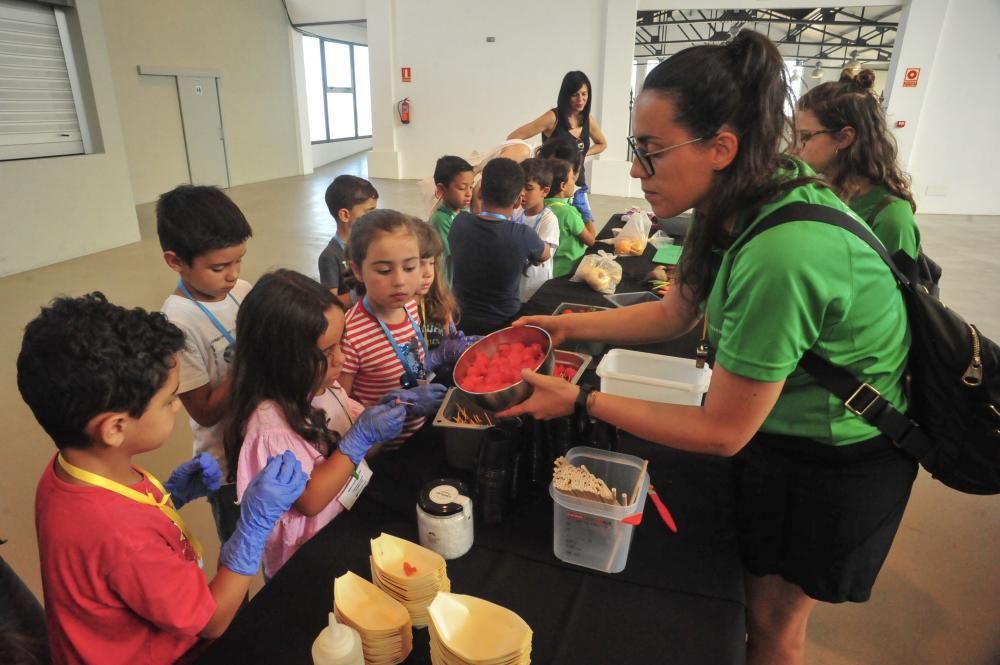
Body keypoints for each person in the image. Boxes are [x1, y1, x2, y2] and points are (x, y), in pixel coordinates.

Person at [502, 31, 916, 665]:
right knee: (747, 604)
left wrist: (584, 399)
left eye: (652, 152)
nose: (636, 170)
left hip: (836, 455)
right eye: (636, 149)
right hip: (780, 429)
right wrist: (568, 327)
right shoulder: (737, 200)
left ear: (722, 146)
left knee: (773, 627)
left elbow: (723, 431)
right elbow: (674, 311)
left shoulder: (782, 253)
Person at [18, 292, 307, 665]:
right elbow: (213, 621)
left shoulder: (71, 469)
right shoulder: (123, 538)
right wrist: (251, 531)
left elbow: (107, 557)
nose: (176, 406)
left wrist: (169, 496)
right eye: (170, 399)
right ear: (115, 427)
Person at [223, 270, 436, 578]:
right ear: (281, 358)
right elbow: (310, 500)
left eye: (341, 343)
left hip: (345, 526)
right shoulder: (269, 427)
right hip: (306, 558)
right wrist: (358, 439)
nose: (341, 359)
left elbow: (364, 449)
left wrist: (396, 411)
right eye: (326, 352)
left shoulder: (326, 387)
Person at [157, 184, 254, 547]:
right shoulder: (176, 323)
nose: (232, 275)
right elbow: (206, 411)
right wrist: (252, 359)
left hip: (263, 441)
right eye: (219, 267)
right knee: (239, 547)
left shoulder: (242, 290)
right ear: (175, 261)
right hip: (226, 464)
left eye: (238, 261)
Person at [339, 211, 461, 446]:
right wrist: (399, 406)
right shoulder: (351, 335)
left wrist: (440, 355)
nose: (400, 281)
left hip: (419, 431)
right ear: (357, 270)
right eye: (384, 271)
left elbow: (411, 360)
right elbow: (341, 409)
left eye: (409, 267)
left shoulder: (411, 307)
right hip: (382, 451)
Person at [792, 68, 921, 261]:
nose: (793, 149)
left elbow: (896, 288)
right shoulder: (822, 192)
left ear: (844, 138)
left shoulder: (892, 218)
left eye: (804, 137)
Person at [449, 158, 549, 335]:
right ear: (518, 201)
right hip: (503, 327)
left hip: (461, 323)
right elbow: (544, 254)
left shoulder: (459, 223)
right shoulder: (523, 235)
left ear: (479, 193)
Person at [508, 70, 608, 224]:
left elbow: (602, 144)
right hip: (552, 189)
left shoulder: (587, 119)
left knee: (582, 231)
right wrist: (532, 156)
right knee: (552, 229)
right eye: (575, 94)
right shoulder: (553, 118)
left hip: (577, 185)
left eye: (584, 94)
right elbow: (514, 136)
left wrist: (582, 154)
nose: (581, 99)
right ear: (566, 94)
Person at [318, 175, 379, 306]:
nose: (374, 217)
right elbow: (330, 305)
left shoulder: (371, 245)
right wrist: (359, 294)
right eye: (369, 212)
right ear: (345, 215)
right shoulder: (330, 256)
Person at [517, 158, 560, 301]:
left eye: (528, 189)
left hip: (535, 288)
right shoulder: (516, 212)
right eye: (518, 187)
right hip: (515, 288)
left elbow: (541, 257)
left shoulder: (548, 220)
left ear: (545, 191)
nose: (522, 193)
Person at [546, 157, 595, 277]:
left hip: (550, 269)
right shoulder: (568, 212)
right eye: (572, 179)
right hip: (569, 270)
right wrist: (586, 215)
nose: (574, 183)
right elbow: (591, 240)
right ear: (563, 185)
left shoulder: (541, 207)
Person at [427, 156, 474, 282]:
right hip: (448, 283)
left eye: (471, 187)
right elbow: (454, 256)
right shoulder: (440, 220)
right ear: (442, 188)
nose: (469, 193)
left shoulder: (464, 211)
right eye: (462, 188)